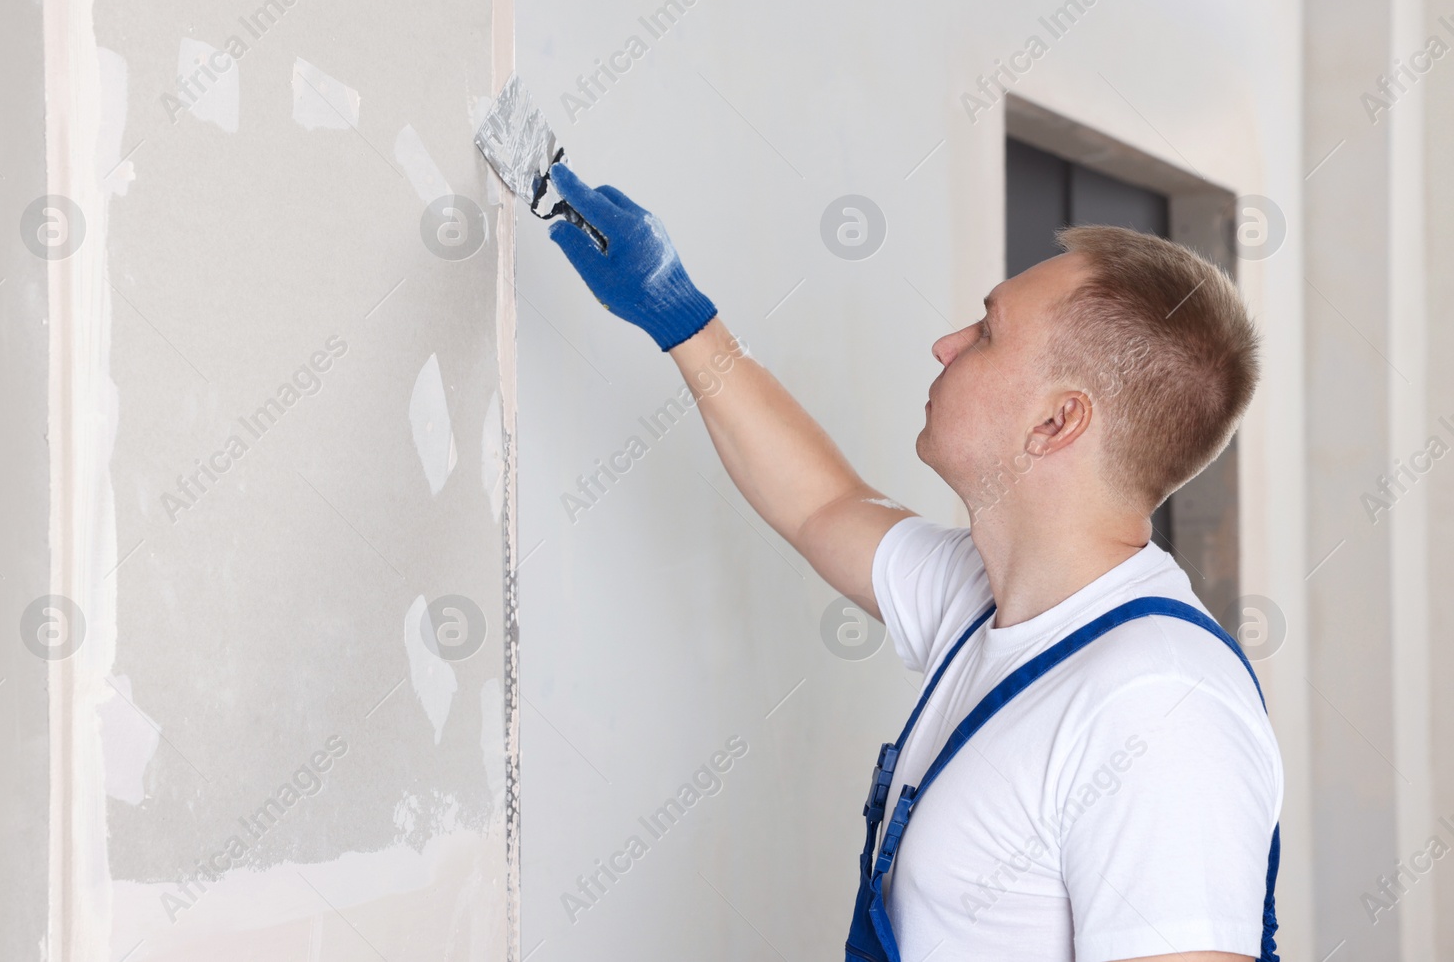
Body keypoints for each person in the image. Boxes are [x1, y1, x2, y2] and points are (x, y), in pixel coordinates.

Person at [542, 162, 1283, 962]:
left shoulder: (1157, 706)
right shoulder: (989, 603)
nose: (946, 342)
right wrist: (677, 312)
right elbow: (823, 505)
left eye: (987, 331)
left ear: (1057, 420)